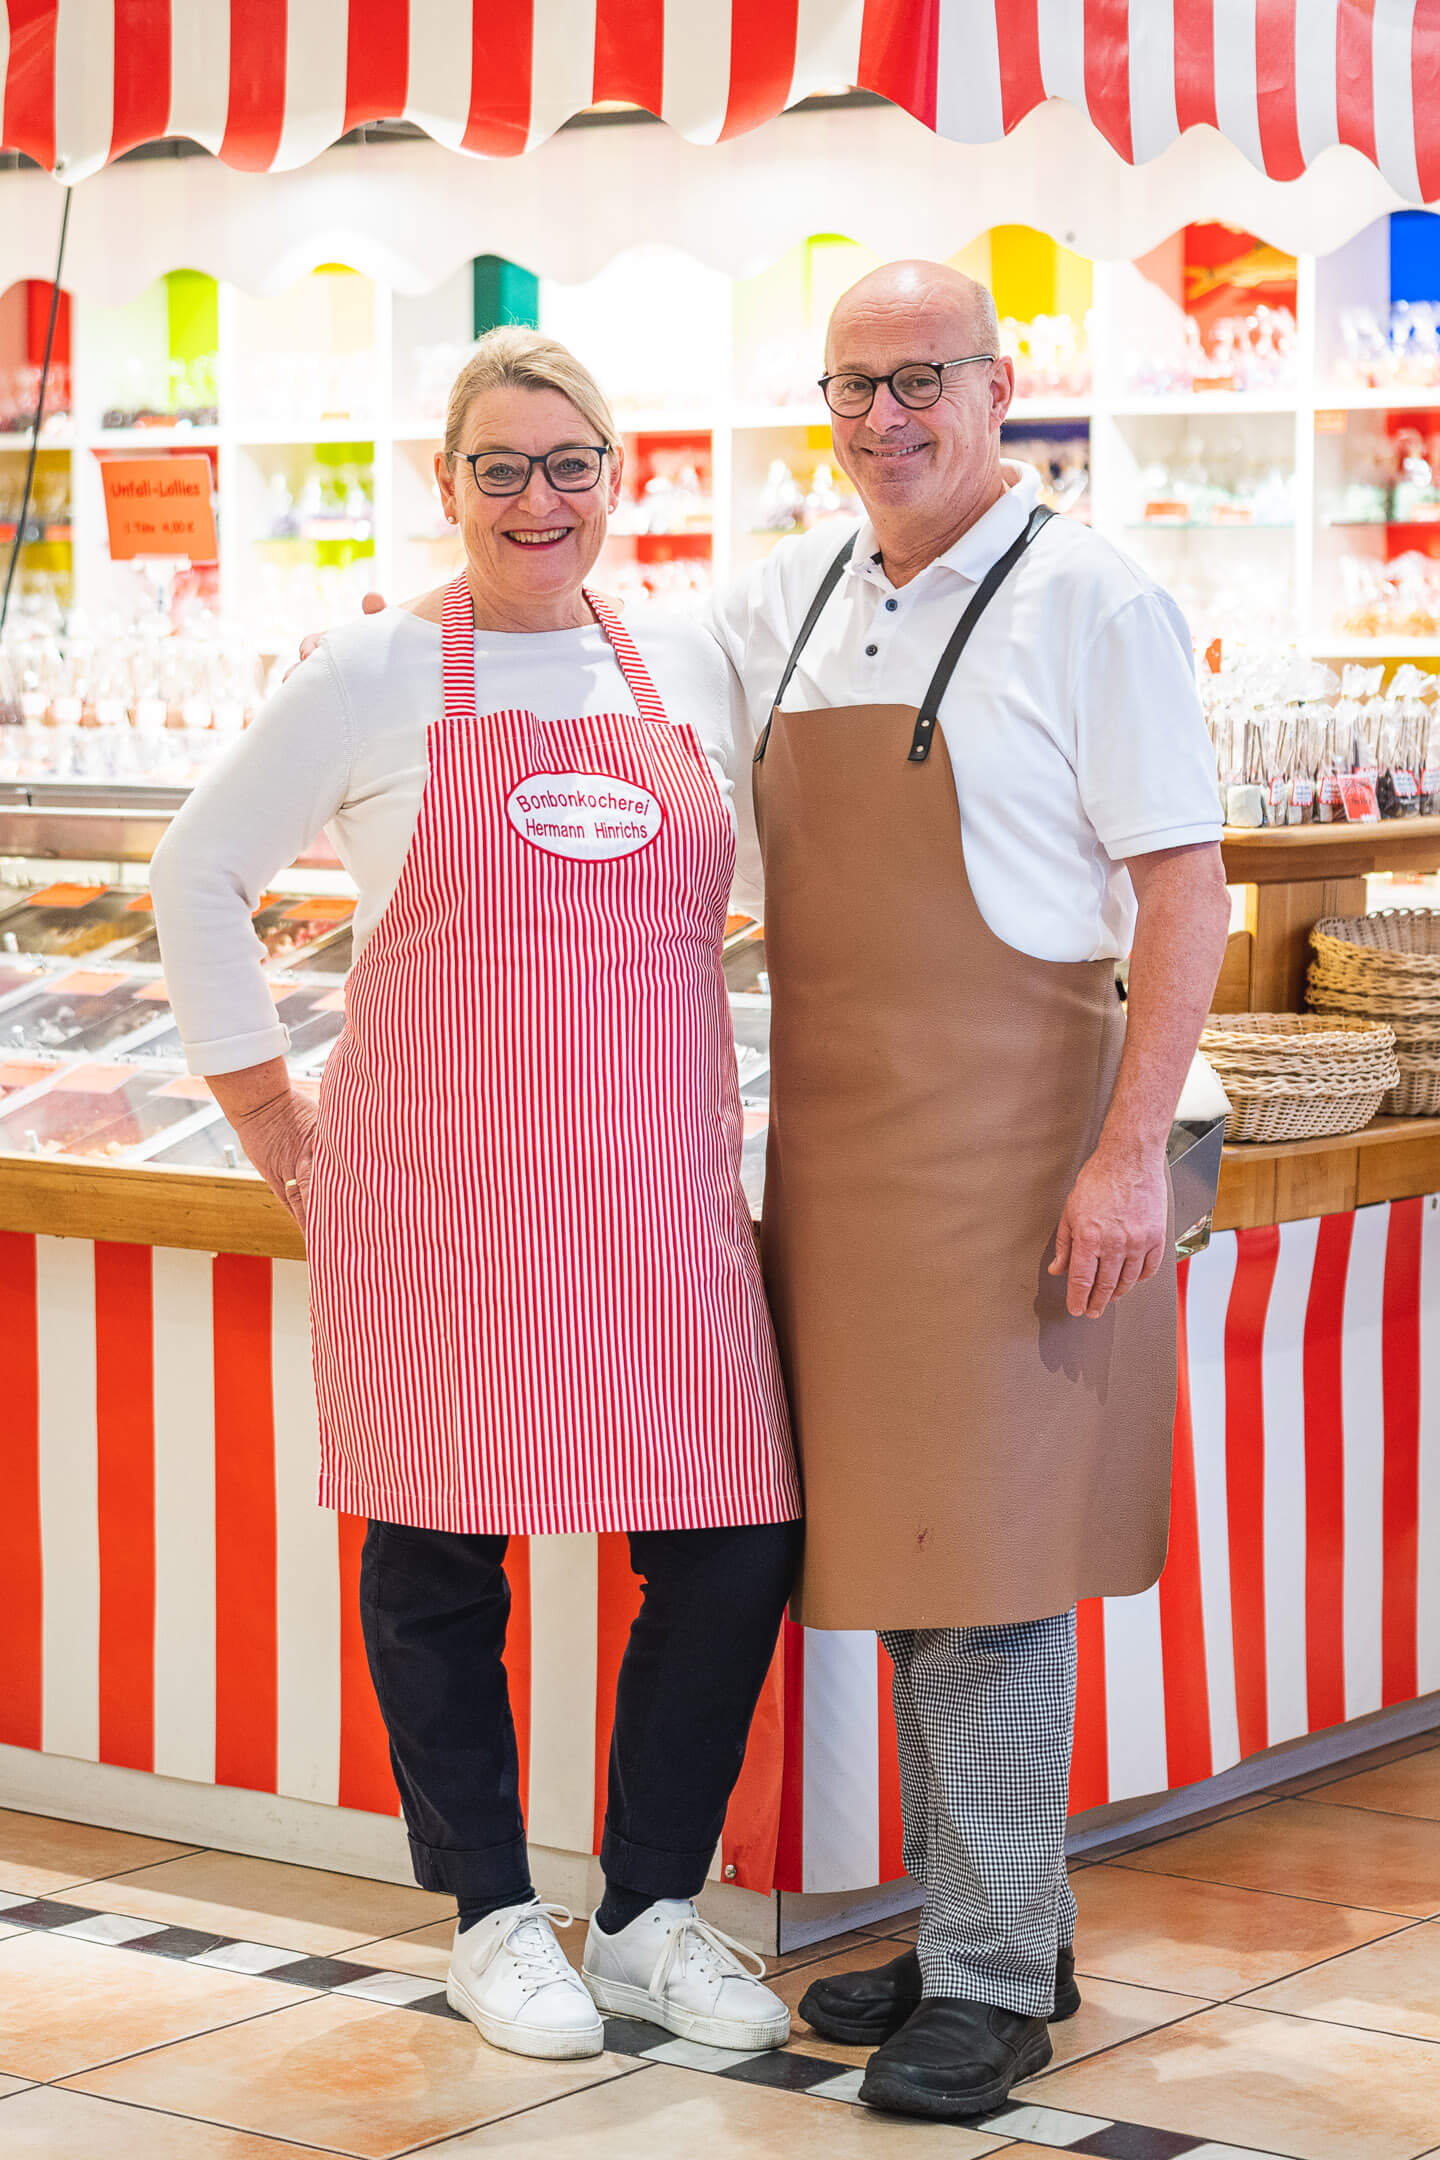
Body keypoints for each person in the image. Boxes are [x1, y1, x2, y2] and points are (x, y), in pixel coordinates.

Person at [148, 327, 801, 2066]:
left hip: (662, 1189)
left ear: (620, 475)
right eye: (501, 469)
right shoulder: (367, 674)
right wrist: (268, 1114)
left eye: (570, 464)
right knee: (440, 1556)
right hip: (434, 1193)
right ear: (447, 486)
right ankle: (493, 1915)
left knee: (736, 1538)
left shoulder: (687, 664)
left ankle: (653, 1908)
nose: (539, 499)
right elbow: (193, 870)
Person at [714, 261, 1230, 2123]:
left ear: (1002, 385)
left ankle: (1001, 1976)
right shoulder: (788, 598)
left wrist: (1125, 1161)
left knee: (999, 1568)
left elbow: (1187, 889)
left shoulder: (1093, 596)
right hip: (842, 1159)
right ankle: (984, 1923)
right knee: (921, 1565)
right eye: (851, 384)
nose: (881, 418)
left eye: (920, 378)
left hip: (1026, 1146)